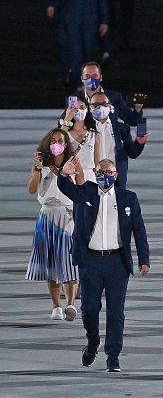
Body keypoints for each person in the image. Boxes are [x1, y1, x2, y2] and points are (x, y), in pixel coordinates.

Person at [58, 157, 151, 373]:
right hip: (90, 261)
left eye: (109, 172)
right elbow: (67, 189)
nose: (104, 176)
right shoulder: (86, 193)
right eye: (100, 172)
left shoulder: (129, 198)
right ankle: (92, 342)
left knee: (116, 311)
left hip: (117, 262)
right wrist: (64, 174)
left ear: (116, 174)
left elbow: (139, 229)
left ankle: (113, 356)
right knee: (89, 309)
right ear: (95, 173)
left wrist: (144, 259)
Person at [32, 0, 110, 87]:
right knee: (75, 51)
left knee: (88, 50)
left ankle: (89, 79)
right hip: (72, 19)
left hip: (90, 20)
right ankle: (79, 81)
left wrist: (105, 20)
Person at [26, 129, 83, 321]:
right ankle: (56, 306)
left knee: (70, 262)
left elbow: (82, 187)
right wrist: (36, 168)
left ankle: (71, 304)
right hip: (48, 216)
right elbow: (32, 189)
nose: (56, 143)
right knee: (52, 263)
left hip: (67, 216)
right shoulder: (42, 165)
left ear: (66, 144)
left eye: (60, 140)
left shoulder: (73, 162)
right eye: (53, 141)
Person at [78, 91, 147, 189]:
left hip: (115, 179)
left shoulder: (122, 129)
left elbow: (133, 153)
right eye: (96, 105)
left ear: (110, 106)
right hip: (90, 178)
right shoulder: (83, 129)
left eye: (104, 104)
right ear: (89, 107)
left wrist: (139, 143)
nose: (100, 107)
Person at [79, 61, 144, 127]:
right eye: (87, 76)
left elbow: (132, 121)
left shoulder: (114, 97)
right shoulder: (74, 99)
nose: (91, 79)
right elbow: (70, 124)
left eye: (95, 75)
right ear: (82, 78)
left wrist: (137, 109)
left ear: (101, 77)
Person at [63, 94, 102, 174]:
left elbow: (97, 162)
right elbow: (58, 148)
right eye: (75, 109)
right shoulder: (65, 132)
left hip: (89, 176)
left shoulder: (94, 135)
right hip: (70, 175)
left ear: (87, 108)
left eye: (82, 108)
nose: (79, 111)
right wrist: (67, 119)